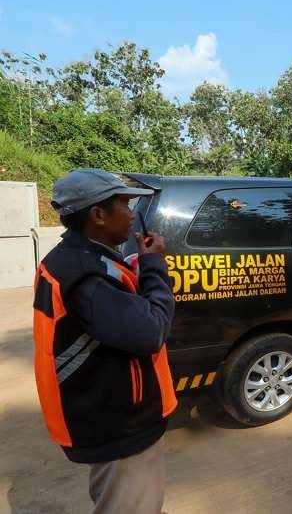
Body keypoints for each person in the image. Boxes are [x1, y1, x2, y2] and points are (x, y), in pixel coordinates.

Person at [32, 169, 177, 514]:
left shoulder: (78, 259)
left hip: (108, 417)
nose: (132, 215)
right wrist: (155, 266)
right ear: (98, 214)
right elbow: (151, 331)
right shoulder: (85, 275)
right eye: (125, 205)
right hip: (119, 426)